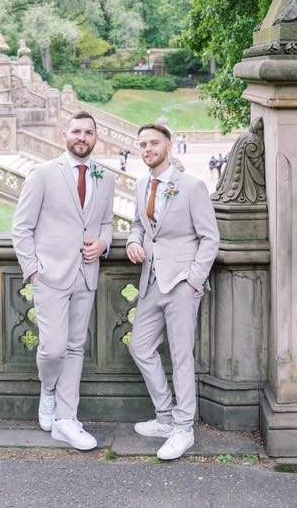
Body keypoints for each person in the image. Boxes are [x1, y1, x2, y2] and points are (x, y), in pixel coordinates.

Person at [12, 111, 116, 450]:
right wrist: (33, 271)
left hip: (86, 276)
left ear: (96, 137)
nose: (82, 137)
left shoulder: (105, 177)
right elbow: (22, 227)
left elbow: (106, 223)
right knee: (53, 348)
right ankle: (48, 390)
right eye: (76, 131)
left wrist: (104, 244)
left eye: (88, 132)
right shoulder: (42, 174)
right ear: (64, 135)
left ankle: (66, 419)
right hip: (50, 276)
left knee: (75, 348)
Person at [125, 123, 219, 460]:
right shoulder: (141, 185)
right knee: (140, 347)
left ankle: (184, 429)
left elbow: (210, 238)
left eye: (153, 143)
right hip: (151, 280)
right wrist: (134, 241)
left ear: (169, 145)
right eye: (142, 144)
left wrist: (193, 280)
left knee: (181, 357)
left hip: (181, 283)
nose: (147, 149)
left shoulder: (192, 187)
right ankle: (165, 416)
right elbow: (138, 224)